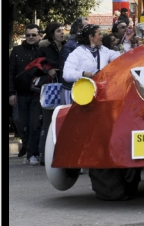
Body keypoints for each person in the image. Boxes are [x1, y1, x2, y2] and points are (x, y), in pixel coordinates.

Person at [8, 24, 43, 165]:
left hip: (37, 94)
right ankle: (28, 147)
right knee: (21, 123)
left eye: (33, 35)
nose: (30, 37)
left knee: (35, 124)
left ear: (39, 36)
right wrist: (11, 93)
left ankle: (32, 153)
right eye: (28, 35)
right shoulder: (17, 51)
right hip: (20, 93)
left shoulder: (42, 50)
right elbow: (10, 73)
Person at [38, 22, 65, 165]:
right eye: (58, 31)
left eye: (63, 30)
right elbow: (36, 64)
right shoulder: (45, 49)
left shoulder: (68, 47)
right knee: (48, 123)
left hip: (66, 88)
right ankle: (44, 156)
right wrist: (47, 70)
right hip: (51, 89)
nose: (62, 33)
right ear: (52, 33)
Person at [60, 17, 89, 105]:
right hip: (72, 88)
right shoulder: (70, 45)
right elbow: (67, 70)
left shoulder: (83, 43)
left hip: (82, 86)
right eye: (87, 26)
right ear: (79, 29)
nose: (90, 28)